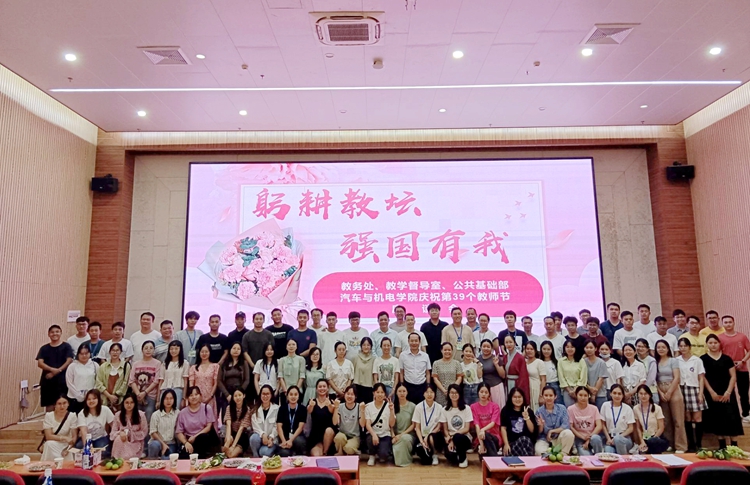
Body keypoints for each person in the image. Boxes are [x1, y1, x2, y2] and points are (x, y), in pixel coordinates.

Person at [701, 334, 744, 449]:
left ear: (719, 344)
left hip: (728, 393)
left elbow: (733, 376)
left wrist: (728, 392)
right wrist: (712, 392)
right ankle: (722, 447)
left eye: (715, 343)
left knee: (732, 417)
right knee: (717, 418)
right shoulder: (703, 359)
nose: (713, 345)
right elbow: (703, 378)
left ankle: (734, 446)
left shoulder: (727, 358)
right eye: (710, 343)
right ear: (707, 344)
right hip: (712, 393)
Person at [654, 339, 687, 452]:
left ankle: (681, 446)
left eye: (663, 347)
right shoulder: (655, 362)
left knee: (678, 420)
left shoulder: (673, 360)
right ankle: (669, 443)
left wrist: (669, 392)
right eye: (658, 347)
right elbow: (654, 379)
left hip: (673, 388)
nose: (661, 349)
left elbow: (677, 377)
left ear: (668, 349)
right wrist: (660, 392)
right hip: (660, 389)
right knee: (666, 420)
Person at [718, 315, 750, 421]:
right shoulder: (720, 338)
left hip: (742, 369)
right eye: (726, 322)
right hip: (726, 371)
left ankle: (746, 414)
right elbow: (718, 353)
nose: (728, 324)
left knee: (743, 393)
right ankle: (731, 415)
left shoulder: (742, 337)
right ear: (722, 324)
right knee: (728, 392)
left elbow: (749, 350)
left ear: (734, 323)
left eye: (730, 322)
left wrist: (743, 361)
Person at [677, 337, 707, 451]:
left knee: (697, 417)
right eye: (681, 346)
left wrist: (700, 393)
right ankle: (691, 444)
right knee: (687, 417)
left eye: (685, 346)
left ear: (689, 347)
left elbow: (701, 378)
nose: (683, 348)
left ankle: (699, 444)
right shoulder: (677, 360)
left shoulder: (697, 360)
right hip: (681, 389)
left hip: (694, 389)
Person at [175, 386, 221, 458]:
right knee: (183, 457)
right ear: (187, 398)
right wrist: (186, 443)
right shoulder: (182, 413)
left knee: (202, 438)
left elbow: (208, 427)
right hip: (189, 441)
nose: (194, 397)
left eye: (196, 394)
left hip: (205, 439)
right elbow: (179, 432)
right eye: (191, 395)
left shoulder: (207, 408)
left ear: (200, 396)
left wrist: (195, 437)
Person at [37, 325, 74, 411]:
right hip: (48, 380)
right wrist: (52, 370)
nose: (54, 334)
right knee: (49, 405)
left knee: (63, 404)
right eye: (52, 332)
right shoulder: (44, 348)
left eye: (57, 331)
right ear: (48, 334)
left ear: (61, 333)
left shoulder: (66, 346)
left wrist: (58, 370)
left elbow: (69, 360)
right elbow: (40, 363)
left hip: (63, 381)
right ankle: (50, 420)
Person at [534, 385, 574, 456]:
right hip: (545, 439)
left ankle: (563, 455)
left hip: (559, 438)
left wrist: (552, 431)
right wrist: (541, 426)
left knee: (569, 434)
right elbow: (539, 432)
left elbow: (565, 426)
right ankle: (549, 457)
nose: (548, 398)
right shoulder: (539, 411)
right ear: (542, 397)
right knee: (539, 451)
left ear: (555, 396)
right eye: (546, 395)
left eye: (551, 395)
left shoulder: (562, 408)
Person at [128, 341, 162, 422]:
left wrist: (145, 392)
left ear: (154, 350)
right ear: (142, 350)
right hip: (137, 396)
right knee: (136, 420)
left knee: (148, 419)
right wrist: (138, 394)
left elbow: (156, 381)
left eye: (151, 348)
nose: (148, 350)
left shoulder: (157, 363)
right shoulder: (136, 364)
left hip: (151, 396)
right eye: (146, 348)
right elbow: (131, 381)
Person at [441, 384, 473, 468]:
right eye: (452, 392)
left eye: (456, 393)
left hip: (464, 437)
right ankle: (457, 455)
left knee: (457, 437)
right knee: (450, 456)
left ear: (460, 394)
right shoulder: (444, 410)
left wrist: (452, 436)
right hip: (450, 438)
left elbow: (466, 429)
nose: (454, 395)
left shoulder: (466, 408)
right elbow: (445, 430)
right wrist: (450, 439)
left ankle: (463, 459)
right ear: (448, 394)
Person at [413, 383, 444, 466]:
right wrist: (422, 441)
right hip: (421, 436)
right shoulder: (418, 407)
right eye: (427, 392)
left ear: (435, 394)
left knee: (431, 437)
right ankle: (427, 453)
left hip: (434, 436)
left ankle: (434, 454)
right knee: (426, 461)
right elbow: (417, 427)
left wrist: (428, 435)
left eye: (431, 392)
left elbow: (439, 426)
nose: (429, 394)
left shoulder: (439, 407)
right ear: (423, 394)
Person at [110, 393, 149, 460]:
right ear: (123, 403)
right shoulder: (118, 415)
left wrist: (130, 435)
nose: (129, 405)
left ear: (135, 403)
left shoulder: (141, 415)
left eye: (131, 402)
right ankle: (117, 460)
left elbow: (144, 432)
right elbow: (112, 434)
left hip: (135, 442)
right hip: (122, 442)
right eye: (127, 403)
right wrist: (120, 433)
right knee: (118, 439)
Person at [500, 387, 537, 456]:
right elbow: (503, 428)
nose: (517, 399)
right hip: (512, 443)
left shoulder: (528, 411)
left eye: (519, 397)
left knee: (525, 439)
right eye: (515, 397)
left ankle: (527, 461)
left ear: (523, 398)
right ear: (511, 398)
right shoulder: (505, 410)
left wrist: (527, 418)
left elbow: (532, 430)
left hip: (527, 443)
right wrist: (506, 444)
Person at [567, 386, 604, 456]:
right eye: (580, 395)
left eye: (585, 395)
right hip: (579, 439)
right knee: (586, 457)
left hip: (592, 436)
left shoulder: (594, 408)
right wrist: (583, 437)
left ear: (588, 396)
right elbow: (571, 427)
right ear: (576, 395)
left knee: (596, 438)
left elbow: (599, 426)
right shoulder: (570, 409)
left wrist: (589, 438)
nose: (583, 398)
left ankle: (599, 457)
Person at [365, 383, 396, 466]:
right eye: (377, 392)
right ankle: (372, 455)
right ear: (374, 393)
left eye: (382, 392)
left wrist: (392, 410)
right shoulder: (368, 406)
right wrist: (374, 434)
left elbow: (391, 424)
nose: (380, 394)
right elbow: (367, 424)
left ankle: (380, 453)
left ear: (385, 394)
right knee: (370, 439)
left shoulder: (389, 406)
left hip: (385, 434)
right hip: (373, 433)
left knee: (384, 455)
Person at [600, 384, 635, 455]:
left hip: (624, 438)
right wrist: (608, 439)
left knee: (618, 439)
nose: (617, 396)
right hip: (610, 438)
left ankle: (624, 460)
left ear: (623, 395)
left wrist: (618, 437)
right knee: (608, 452)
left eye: (619, 394)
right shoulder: (605, 405)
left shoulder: (627, 408)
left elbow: (631, 428)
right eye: (614, 393)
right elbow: (603, 424)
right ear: (610, 394)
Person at [633, 385, 669, 454]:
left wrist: (653, 438)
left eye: (645, 393)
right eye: (641, 394)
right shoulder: (636, 408)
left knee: (652, 442)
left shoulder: (657, 408)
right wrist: (642, 441)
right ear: (638, 395)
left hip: (657, 437)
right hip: (644, 438)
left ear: (649, 395)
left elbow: (661, 427)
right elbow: (638, 428)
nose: (643, 396)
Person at [189, 344, 219, 424]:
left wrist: (210, 396)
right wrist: (195, 397)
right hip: (196, 398)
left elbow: (216, 383)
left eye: (206, 351)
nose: (204, 354)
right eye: (202, 352)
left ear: (210, 353)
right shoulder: (193, 368)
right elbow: (191, 384)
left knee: (210, 420)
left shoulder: (215, 366)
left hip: (210, 397)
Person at [41, 395, 78, 461]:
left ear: (68, 404)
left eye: (64, 403)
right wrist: (63, 438)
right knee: (49, 444)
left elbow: (74, 437)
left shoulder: (72, 416)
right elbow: (48, 436)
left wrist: (68, 449)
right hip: (53, 442)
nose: (62, 406)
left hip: (66, 444)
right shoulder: (49, 416)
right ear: (55, 405)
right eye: (59, 404)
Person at [243, 312, 275, 387]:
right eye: (256, 319)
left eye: (260, 319)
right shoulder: (247, 335)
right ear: (253, 320)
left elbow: (272, 350)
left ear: (263, 320)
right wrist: (253, 366)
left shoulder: (269, 334)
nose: (258, 321)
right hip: (251, 368)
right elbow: (245, 352)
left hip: (266, 368)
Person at [275, 384, 308, 456]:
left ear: (298, 396)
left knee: (299, 441)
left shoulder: (302, 409)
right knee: (284, 453)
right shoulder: (282, 408)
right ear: (287, 396)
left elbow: (300, 427)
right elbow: (279, 426)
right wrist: (284, 441)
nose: (293, 396)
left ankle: (298, 455)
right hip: (285, 437)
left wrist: (291, 440)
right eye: (291, 394)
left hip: (297, 437)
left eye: (295, 394)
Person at [66, 344, 100, 414]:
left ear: (90, 353)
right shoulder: (72, 366)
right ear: (78, 354)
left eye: (86, 353)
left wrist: (91, 394)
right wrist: (79, 396)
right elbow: (69, 382)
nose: (84, 356)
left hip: (91, 399)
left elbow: (98, 381)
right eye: (81, 354)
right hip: (74, 399)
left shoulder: (95, 365)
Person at [96, 343, 131, 411]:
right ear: (109, 352)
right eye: (113, 350)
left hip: (119, 400)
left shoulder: (126, 366)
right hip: (104, 400)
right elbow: (99, 383)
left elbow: (125, 382)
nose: (115, 352)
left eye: (117, 350)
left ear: (120, 352)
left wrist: (115, 396)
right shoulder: (103, 366)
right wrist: (109, 396)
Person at [399, 332, 431, 403]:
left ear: (419, 342)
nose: (414, 343)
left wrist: (428, 386)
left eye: (416, 341)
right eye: (412, 341)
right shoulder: (403, 355)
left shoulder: (425, 356)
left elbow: (428, 373)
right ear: (408, 341)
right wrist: (402, 384)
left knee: (421, 407)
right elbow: (401, 372)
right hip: (408, 386)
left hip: (422, 386)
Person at [220, 387, 252, 458]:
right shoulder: (229, 408)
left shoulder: (247, 409)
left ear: (244, 396)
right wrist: (228, 440)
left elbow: (241, 429)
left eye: (240, 395)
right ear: (233, 397)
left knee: (231, 455)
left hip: (241, 436)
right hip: (231, 433)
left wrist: (233, 446)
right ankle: (225, 450)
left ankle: (226, 452)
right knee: (228, 439)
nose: (238, 398)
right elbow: (228, 424)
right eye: (235, 396)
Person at [471, 383, 501, 457]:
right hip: (480, 438)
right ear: (478, 393)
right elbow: (477, 426)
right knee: (483, 454)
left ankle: (493, 459)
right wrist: (481, 444)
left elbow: (493, 423)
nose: (483, 394)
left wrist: (483, 430)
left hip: (494, 437)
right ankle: (493, 458)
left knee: (486, 435)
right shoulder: (473, 407)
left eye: (486, 392)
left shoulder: (495, 406)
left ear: (489, 394)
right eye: (481, 392)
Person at [307, 379, 336, 456]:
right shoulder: (312, 401)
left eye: (324, 386)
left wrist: (329, 405)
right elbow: (309, 410)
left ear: (327, 388)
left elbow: (332, 411)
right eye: (320, 386)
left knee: (329, 430)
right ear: (316, 389)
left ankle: (325, 452)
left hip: (329, 435)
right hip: (315, 436)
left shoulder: (331, 401)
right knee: (316, 455)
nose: (322, 388)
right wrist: (311, 405)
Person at [249, 385, 279, 457]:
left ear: (271, 395)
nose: (265, 396)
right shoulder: (255, 409)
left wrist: (271, 438)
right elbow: (255, 426)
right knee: (253, 438)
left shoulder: (277, 409)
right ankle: (256, 457)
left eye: (267, 394)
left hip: (272, 440)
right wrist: (263, 434)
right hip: (260, 438)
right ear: (260, 395)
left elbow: (277, 426)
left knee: (264, 452)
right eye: (263, 394)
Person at [333, 386, 364, 455]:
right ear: (344, 395)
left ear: (355, 396)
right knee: (338, 438)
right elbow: (335, 422)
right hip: (343, 434)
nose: (349, 396)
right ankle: (340, 452)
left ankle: (350, 450)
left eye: (352, 394)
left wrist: (362, 411)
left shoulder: (359, 407)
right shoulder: (340, 406)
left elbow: (362, 424)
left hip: (354, 436)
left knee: (349, 449)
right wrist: (336, 407)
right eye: (348, 394)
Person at [148, 389, 179, 458]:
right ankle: (152, 462)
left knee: (166, 459)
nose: (168, 401)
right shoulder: (156, 415)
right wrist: (163, 444)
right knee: (154, 445)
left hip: (171, 443)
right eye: (166, 398)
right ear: (162, 400)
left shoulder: (178, 413)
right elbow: (153, 432)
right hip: (157, 442)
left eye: (171, 398)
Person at [218, 342, 251, 407]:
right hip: (227, 392)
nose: (236, 350)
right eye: (234, 348)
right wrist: (227, 394)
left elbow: (247, 380)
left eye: (238, 349)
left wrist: (240, 393)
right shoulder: (223, 363)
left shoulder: (244, 363)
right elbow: (219, 381)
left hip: (240, 391)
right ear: (230, 349)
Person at [432, 342, 464, 407]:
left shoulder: (457, 363)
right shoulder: (436, 363)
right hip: (441, 392)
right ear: (441, 350)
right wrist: (444, 391)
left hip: (454, 393)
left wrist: (452, 390)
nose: (447, 352)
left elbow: (459, 378)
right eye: (445, 350)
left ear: (452, 351)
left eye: (449, 350)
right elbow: (435, 379)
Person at [391, 383, 416, 466]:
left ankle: (404, 461)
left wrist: (401, 435)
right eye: (399, 391)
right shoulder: (392, 406)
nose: (402, 393)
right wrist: (393, 436)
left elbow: (413, 425)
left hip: (408, 435)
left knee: (405, 439)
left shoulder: (413, 406)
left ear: (407, 392)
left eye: (404, 391)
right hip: (395, 436)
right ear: (396, 392)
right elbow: (390, 424)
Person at [159, 341, 189, 410]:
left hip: (178, 390)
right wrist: (157, 399)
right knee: (163, 411)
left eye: (176, 349)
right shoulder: (165, 363)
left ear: (180, 349)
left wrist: (184, 398)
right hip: (165, 389)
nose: (173, 351)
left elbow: (185, 381)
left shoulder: (185, 363)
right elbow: (161, 380)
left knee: (175, 411)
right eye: (171, 349)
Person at [502, 335, 530, 403]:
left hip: (516, 383)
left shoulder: (520, 358)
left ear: (515, 343)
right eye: (506, 342)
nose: (508, 344)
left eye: (510, 342)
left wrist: (519, 388)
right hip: (507, 383)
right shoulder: (505, 357)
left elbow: (523, 375)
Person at [558, 340, 587, 407]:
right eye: (567, 347)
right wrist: (570, 391)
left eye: (572, 347)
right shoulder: (561, 361)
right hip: (567, 391)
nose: (570, 349)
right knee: (569, 410)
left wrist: (575, 390)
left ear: (575, 348)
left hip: (580, 390)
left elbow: (583, 377)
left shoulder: (581, 360)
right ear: (564, 348)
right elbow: (561, 377)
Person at [479, 339, 506, 408]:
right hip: (485, 389)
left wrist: (496, 365)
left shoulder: (496, 358)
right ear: (480, 347)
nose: (486, 348)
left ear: (492, 348)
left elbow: (503, 375)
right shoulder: (478, 359)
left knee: (498, 408)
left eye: (488, 347)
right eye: (484, 346)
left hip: (496, 387)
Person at [582, 340, 607, 409]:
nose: (589, 350)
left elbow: (601, 379)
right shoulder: (583, 362)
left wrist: (594, 394)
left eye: (591, 347)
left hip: (600, 394)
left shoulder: (601, 362)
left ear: (595, 349)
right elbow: (582, 378)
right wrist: (589, 388)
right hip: (585, 394)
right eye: (587, 347)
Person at [353, 337, 376, 403]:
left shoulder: (374, 359)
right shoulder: (355, 358)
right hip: (357, 387)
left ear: (371, 347)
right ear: (361, 346)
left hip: (369, 388)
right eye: (364, 345)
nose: (366, 347)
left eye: (368, 345)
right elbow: (352, 373)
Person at [539, 341, 563, 405]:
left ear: (552, 350)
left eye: (548, 349)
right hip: (542, 386)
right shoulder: (539, 362)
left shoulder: (556, 362)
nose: (546, 351)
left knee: (558, 405)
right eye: (544, 349)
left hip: (555, 385)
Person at [636, 338, 658, 403]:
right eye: (639, 346)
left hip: (650, 390)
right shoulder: (634, 359)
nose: (641, 348)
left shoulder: (651, 361)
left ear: (647, 349)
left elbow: (651, 378)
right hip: (636, 391)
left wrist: (643, 389)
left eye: (643, 347)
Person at [525, 341, 546, 411]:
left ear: (535, 350)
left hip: (536, 387)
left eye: (531, 349)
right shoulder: (524, 362)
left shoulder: (539, 362)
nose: (529, 351)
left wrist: (541, 395)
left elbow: (543, 379)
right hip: (526, 388)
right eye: (527, 349)